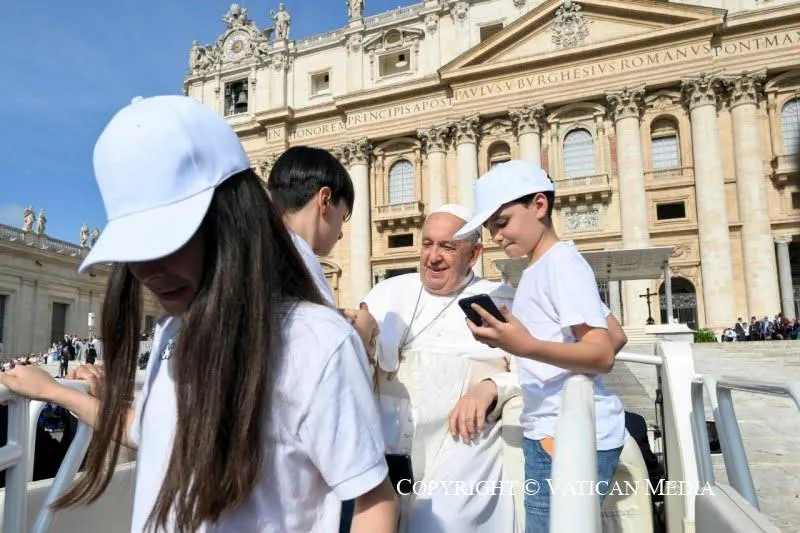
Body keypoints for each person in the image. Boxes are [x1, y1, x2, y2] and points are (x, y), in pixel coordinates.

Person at [0, 95, 396, 532]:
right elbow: (153, 435)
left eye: (168, 240)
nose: (147, 270)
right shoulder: (174, 329)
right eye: (134, 248)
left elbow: (372, 501)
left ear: (232, 219)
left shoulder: (315, 341)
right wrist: (59, 394)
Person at [363, 203, 627, 533]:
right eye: (427, 243)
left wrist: (492, 386)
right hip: (387, 441)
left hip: (461, 444)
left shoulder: (502, 298)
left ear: (473, 254)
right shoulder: (387, 292)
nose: (433, 256)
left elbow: (535, 367)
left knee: (441, 523)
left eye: (447, 246)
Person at [453, 160, 628, 532]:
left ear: (539, 206)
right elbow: (616, 334)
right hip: (555, 429)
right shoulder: (550, 264)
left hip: (562, 434)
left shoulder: (560, 264)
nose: (496, 237)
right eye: (490, 228)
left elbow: (602, 353)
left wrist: (524, 345)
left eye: (502, 223)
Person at [266, 145, 379, 361]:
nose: (340, 234)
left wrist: (334, 317)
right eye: (343, 216)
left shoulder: (265, 253)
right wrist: (358, 335)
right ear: (325, 200)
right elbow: (311, 358)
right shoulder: (297, 265)